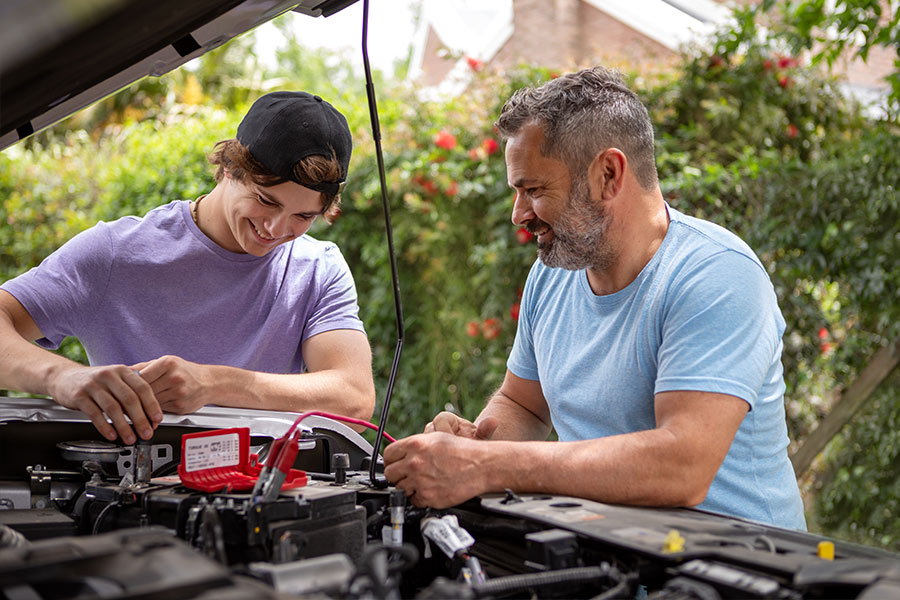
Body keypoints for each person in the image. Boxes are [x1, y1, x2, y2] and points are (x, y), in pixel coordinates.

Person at [383, 67, 806, 530]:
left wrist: (488, 467)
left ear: (608, 173)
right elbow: (523, 403)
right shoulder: (552, 276)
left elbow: (682, 466)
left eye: (534, 190)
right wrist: (474, 444)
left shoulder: (716, 275)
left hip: (742, 570)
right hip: (611, 556)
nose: (518, 214)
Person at [0, 91, 375, 446]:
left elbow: (354, 396)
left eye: (303, 216)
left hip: (266, 497)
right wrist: (60, 376)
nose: (277, 229)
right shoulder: (115, 253)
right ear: (230, 167)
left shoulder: (319, 268)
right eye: (266, 201)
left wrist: (211, 383)